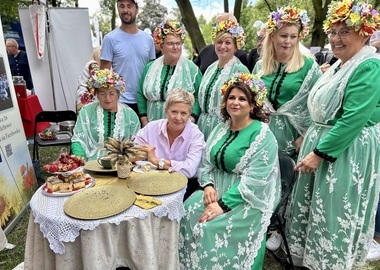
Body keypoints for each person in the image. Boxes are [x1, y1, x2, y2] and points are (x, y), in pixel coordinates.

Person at [286, 1, 380, 269]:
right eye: (333, 31)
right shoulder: (340, 63)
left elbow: (353, 118)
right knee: (315, 206)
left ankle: (329, 261)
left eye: (344, 32)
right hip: (322, 140)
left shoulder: (368, 66)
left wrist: (318, 154)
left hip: (345, 150)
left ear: (364, 33)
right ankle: (311, 258)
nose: (336, 39)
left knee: (334, 209)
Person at [179, 72, 280, 269]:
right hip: (216, 189)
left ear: (252, 105)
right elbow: (206, 162)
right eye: (231, 97)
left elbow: (255, 182)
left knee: (208, 226)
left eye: (242, 99)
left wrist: (222, 205)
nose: (236, 102)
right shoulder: (221, 127)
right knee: (188, 211)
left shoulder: (262, 136)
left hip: (247, 199)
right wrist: (207, 185)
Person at [253, 7, 321, 160]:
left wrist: (305, 135)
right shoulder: (260, 66)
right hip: (263, 132)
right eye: (283, 35)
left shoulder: (309, 66)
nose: (288, 41)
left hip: (295, 135)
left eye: (293, 36)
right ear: (273, 36)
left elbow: (317, 104)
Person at [134, 89, 205, 200]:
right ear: (166, 110)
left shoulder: (196, 135)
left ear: (189, 114)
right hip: (152, 181)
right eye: (174, 112)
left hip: (184, 186)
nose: (178, 118)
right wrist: (136, 155)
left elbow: (190, 170)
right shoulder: (151, 128)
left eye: (183, 113)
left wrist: (156, 161)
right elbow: (132, 152)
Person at [137, 19, 202, 127]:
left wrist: (191, 118)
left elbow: (199, 95)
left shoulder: (192, 70)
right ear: (161, 46)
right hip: (152, 123)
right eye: (170, 43)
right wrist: (144, 120)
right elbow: (140, 93)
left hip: (181, 125)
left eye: (178, 43)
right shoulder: (150, 67)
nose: (175, 47)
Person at [197, 16, 250, 140]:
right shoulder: (210, 68)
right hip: (202, 125)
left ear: (236, 46)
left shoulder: (240, 71)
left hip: (224, 128)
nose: (222, 46)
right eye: (219, 42)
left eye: (228, 43)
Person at [100, 0, 155, 115]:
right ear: (117, 9)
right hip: (120, 102)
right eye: (122, 6)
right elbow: (103, 75)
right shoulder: (110, 39)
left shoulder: (148, 40)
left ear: (137, 9)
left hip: (145, 103)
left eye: (129, 6)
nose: (125, 10)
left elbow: (153, 72)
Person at [71, 69, 140, 161]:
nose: (107, 99)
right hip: (91, 163)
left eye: (112, 93)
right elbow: (78, 140)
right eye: (102, 94)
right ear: (97, 95)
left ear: (118, 95)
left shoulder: (130, 115)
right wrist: (80, 160)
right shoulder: (87, 111)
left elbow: (136, 144)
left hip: (121, 164)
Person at [76, 45, 101, 112]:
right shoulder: (94, 65)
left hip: (82, 96)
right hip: (87, 97)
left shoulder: (90, 63)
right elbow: (97, 79)